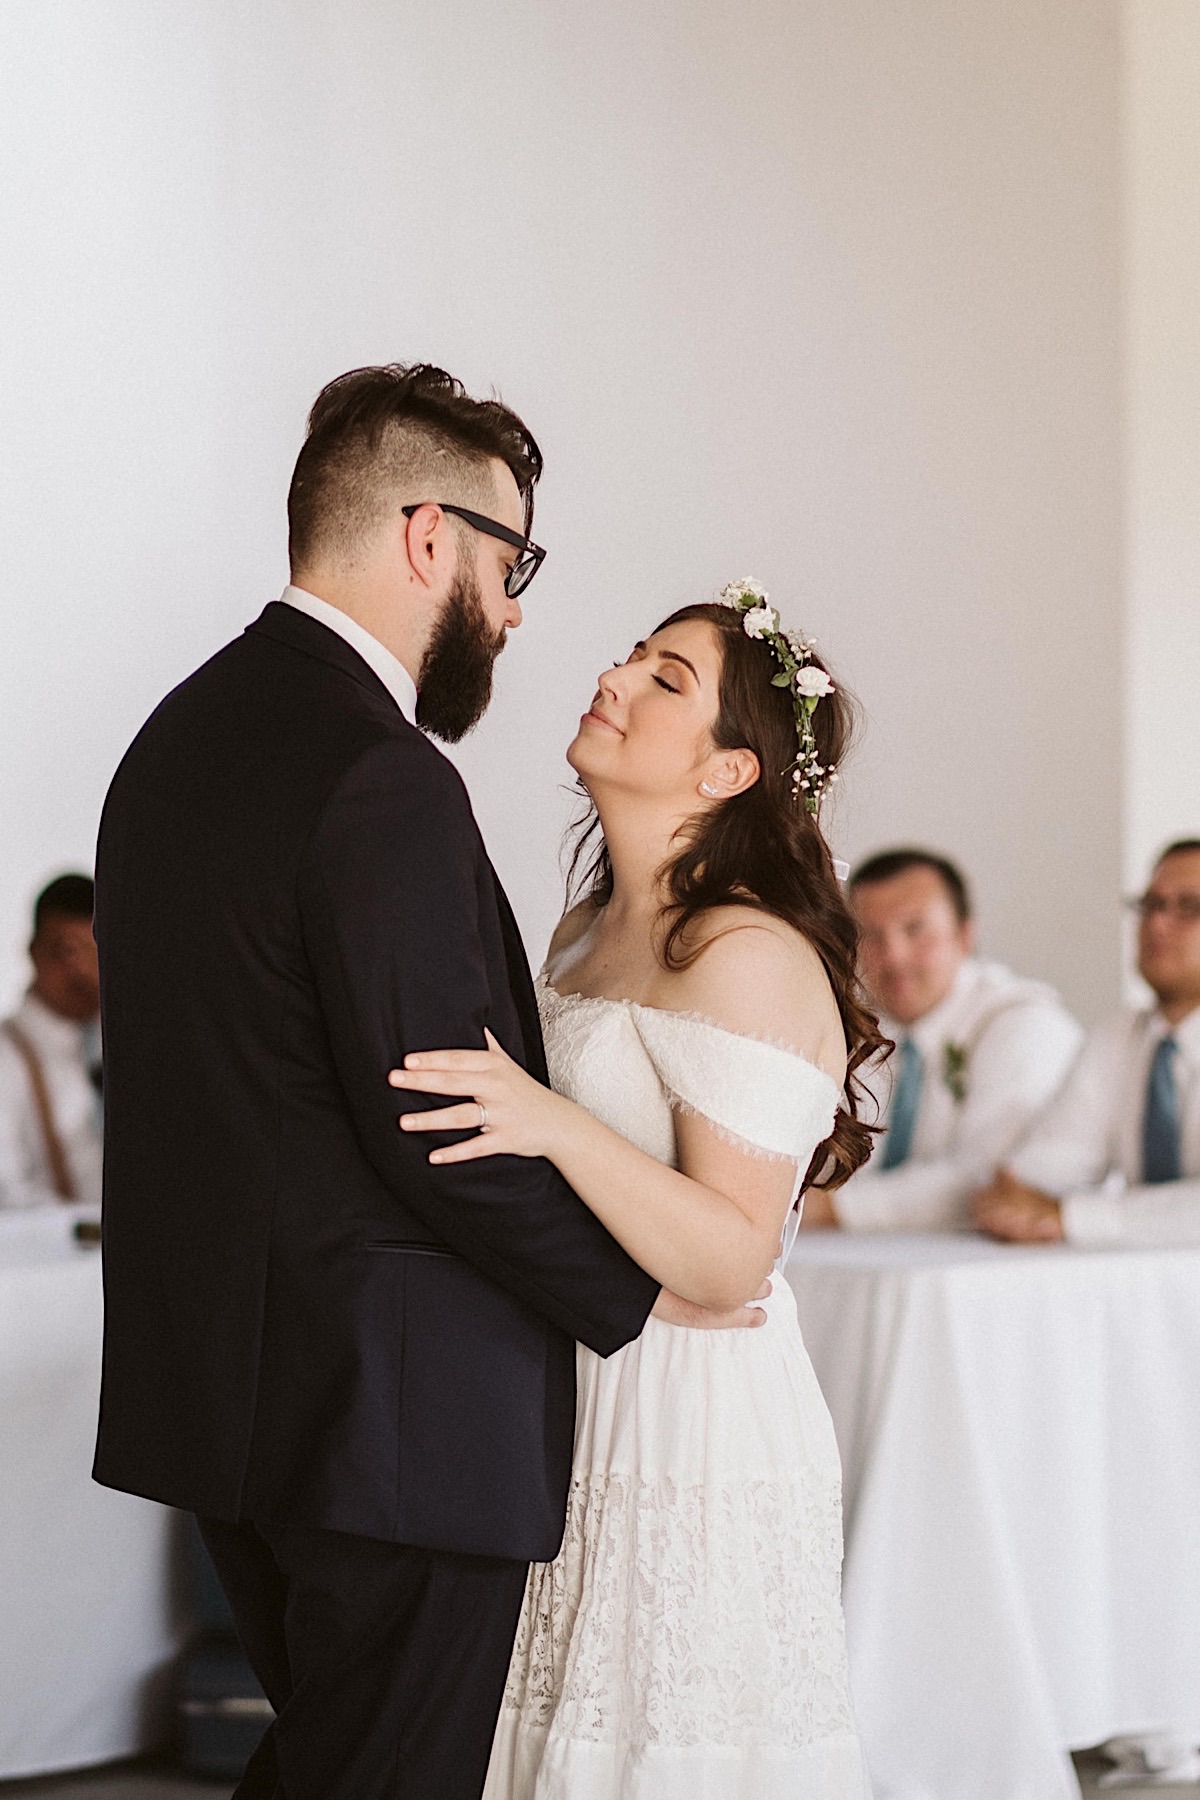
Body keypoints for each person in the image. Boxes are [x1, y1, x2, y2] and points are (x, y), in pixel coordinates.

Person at [91, 363, 730, 1800]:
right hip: (391, 1416)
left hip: (236, 1406)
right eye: (516, 565)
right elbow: (442, 1118)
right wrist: (649, 1284)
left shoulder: (176, 741)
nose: (515, 613)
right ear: (432, 539)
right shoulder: (378, 771)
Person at [391, 579, 882, 1798]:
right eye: (629, 657)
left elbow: (729, 1262)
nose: (613, 679)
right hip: (576, 1388)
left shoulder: (748, 952)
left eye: (667, 681)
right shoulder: (579, 931)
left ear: (728, 775)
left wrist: (547, 1120)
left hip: (694, 1423)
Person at [800, 849, 1082, 1232]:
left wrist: (834, 1208)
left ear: (965, 935)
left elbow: (986, 1172)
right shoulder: (853, 1029)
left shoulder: (1026, 1024)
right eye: (871, 935)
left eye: (915, 930)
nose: (894, 956)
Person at [974, 840, 1200, 1248]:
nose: (1157, 925)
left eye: (1188, 907)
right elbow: (1043, 1167)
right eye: (1151, 904)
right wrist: (1016, 1193)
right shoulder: (1116, 1037)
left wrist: (1071, 1217)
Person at [0, 872, 102, 1210]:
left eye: (95, 951)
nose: (82, 971)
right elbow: (8, 1191)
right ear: (33, 952)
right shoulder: (7, 1055)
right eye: (67, 952)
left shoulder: (131, 1044)